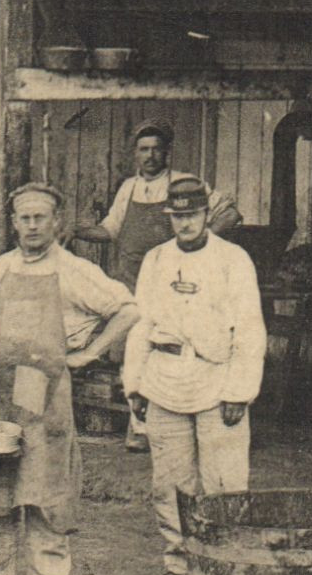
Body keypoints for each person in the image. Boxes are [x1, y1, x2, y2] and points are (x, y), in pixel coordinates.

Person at [0, 182, 139, 575]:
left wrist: (90, 352)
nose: (31, 225)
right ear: (14, 223)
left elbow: (127, 309)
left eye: (40, 217)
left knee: (45, 498)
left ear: (57, 222)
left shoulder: (73, 270)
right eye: (23, 217)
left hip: (44, 405)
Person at [123, 177, 266, 575]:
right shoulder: (155, 260)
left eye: (192, 215)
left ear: (206, 215)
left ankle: (227, 562)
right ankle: (180, 563)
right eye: (177, 216)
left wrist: (239, 391)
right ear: (169, 218)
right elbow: (140, 323)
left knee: (224, 479)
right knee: (170, 481)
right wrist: (135, 384)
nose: (185, 224)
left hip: (216, 377)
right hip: (165, 377)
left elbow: (251, 329)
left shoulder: (233, 259)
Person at [78, 118, 240, 453]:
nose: (150, 155)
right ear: (135, 153)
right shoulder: (128, 188)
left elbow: (229, 213)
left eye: (156, 149)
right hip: (132, 280)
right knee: (133, 351)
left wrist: (201, 242)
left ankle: (180, 423)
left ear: (167, 151)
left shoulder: (184, 182)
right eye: (143, 149)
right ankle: (140, 429)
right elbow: (110, 230)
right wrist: (74, 231)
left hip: (174, 284)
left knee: (172, 351)